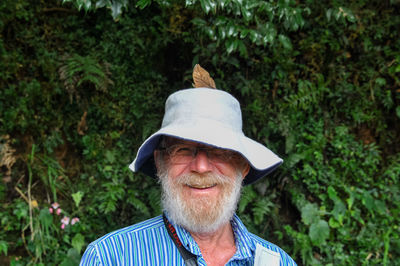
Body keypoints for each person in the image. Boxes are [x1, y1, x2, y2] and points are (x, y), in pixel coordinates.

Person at [80, 65, 296, 265]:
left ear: (243, 165)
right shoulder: (110, 258)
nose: (201, 167)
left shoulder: (278, 263)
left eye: (219, 151)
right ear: (160, 162)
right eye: (183, 150)